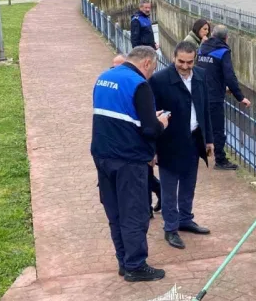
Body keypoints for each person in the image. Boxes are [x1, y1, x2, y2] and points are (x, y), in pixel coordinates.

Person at [91, 46, 169, 282]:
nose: (151, 74)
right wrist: (162, 122)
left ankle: (124, 262)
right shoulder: (139, 84)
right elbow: (149, 129)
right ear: (146, 63)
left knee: (114, 211)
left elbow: (118, 116)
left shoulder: (103, 77)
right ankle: (136, 265)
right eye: (153, 69)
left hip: (102, 156)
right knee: (133, 213)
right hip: (128, 160)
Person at [149, 41, 214, 250]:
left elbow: (205, 110)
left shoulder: (201, 76)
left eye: (189, 62)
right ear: (173, 58)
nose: (185, 66)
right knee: (169, 188)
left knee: (189, 182)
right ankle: (170, 227)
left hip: (194, 138)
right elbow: (151, 116)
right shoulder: (159, 80)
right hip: (169, 141)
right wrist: (153, 149)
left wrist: (209, 139)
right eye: (181, 62)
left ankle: (185, 219)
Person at [111, 53, 161, 218]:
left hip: (137, 148)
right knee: (144, 178)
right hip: (125, 148)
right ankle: (153, 199)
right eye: (114, 67)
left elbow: (148, 125)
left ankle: (148, 206)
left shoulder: (140, 84)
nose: (117, 70)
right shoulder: (122, 83)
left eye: (120, 66)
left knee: (145, 177)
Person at [197, 24, 251, 171]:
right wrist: (240, 97)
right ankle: (220, 160)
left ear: (213, 35)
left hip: (200, 93)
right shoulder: (223, 51)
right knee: (218, 129)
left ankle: (200, 151)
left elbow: (202, 69)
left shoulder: (202, 47)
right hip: (214, 96)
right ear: (226, 38)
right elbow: (230, 76)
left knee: (201, 124)